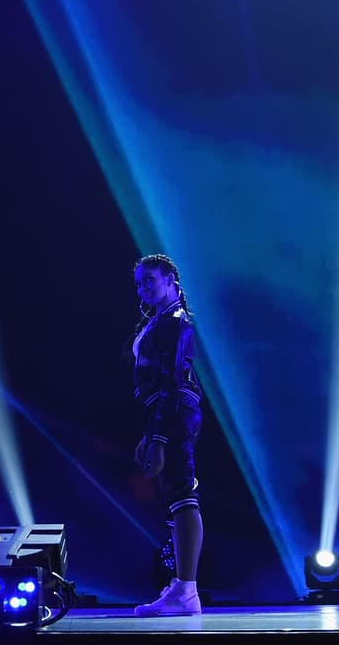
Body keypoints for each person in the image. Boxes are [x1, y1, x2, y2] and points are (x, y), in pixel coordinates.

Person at [123, 254, 204, 617]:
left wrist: (157, 436)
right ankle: (181, 586)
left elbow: (171, 380)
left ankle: (187, 590)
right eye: (140, 282)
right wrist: (150, 432)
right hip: (164, 410)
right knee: (172, 495)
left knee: (181, 492)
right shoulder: (158, 321)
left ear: (171, 279)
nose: (144, 287)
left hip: (174, 410)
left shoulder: (176, 322)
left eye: (150, 279)